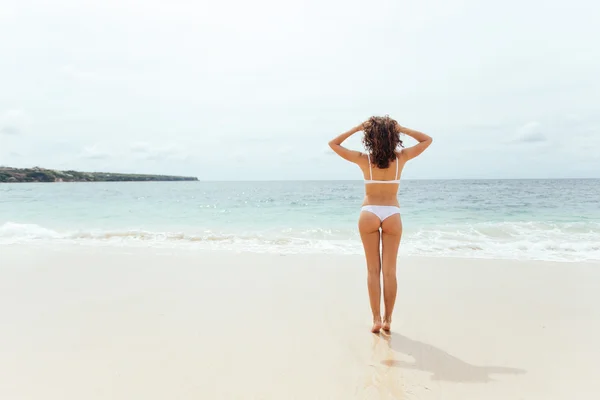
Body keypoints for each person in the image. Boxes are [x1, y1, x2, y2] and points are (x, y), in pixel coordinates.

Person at [328, 116, 433, 333]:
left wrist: (357, 127)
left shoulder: (364, 160)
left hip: (369, 212)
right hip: (392, 214)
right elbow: (426, 140)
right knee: (390, 272)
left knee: (372, 271)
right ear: (393, 137)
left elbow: (333, 144)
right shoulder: (401, 157)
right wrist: (401, 127)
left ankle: (375, 319)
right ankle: (388, 320)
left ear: (369, 138)